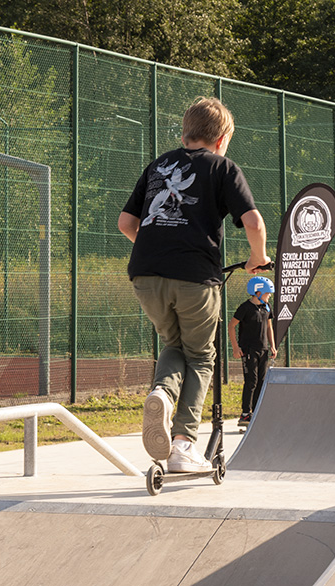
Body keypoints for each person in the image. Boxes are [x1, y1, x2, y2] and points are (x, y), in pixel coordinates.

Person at [118, 97, 270, 473]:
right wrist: (258, 258)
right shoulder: (223, 167)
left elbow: (126, 222)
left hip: (145, 274)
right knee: (202, 356)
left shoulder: (158, 165)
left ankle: (161, 393)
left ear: (187, 133)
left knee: (175, 345)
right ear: (220, 139)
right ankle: (183, 443)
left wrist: (159, 247)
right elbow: (252, 221)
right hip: (194, 277)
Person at [229, 276, 277, 427]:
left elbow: (269, 327)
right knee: (251, 381)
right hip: (248, 349)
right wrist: (235, 348)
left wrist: (273, 346)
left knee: (261, 382)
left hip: (263, 349)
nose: (269, 296)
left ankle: (255, 412)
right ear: (257, 292)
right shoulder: (245, 308)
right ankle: (245, 414)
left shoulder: (266, 307)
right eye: (267, 293)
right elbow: (231, 326)